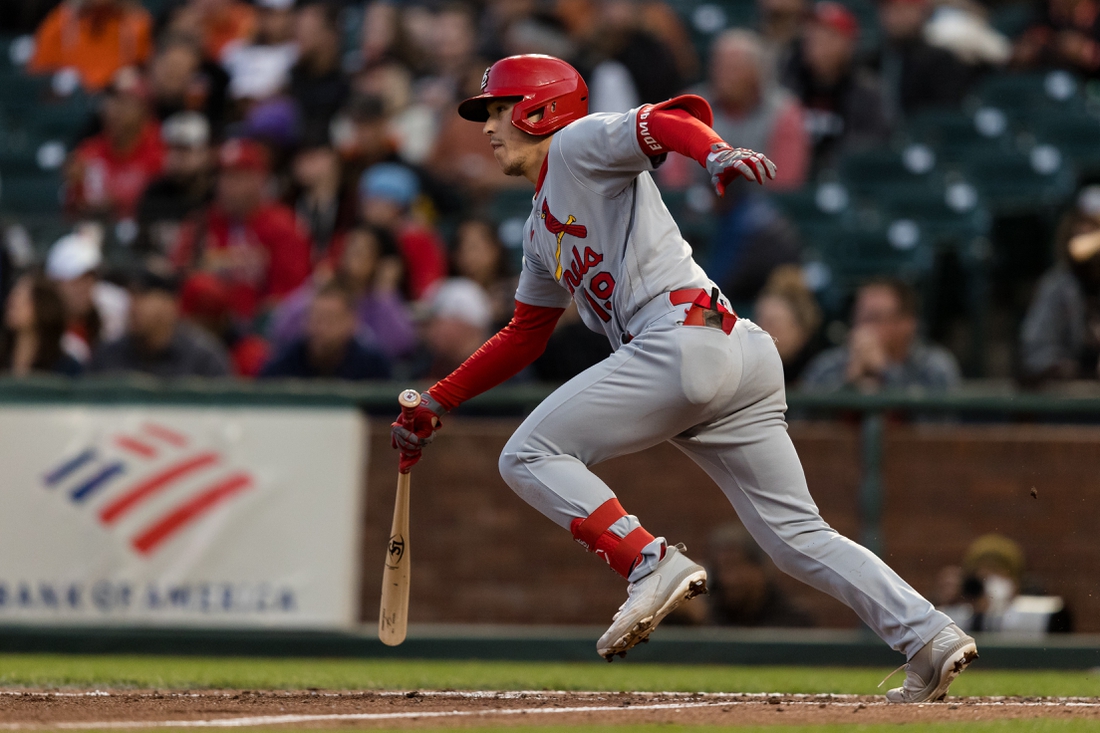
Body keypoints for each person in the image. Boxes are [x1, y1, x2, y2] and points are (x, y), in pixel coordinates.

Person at [389, 54, 976, 702]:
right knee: (795, 538)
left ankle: (648, 560)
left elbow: (665, 122)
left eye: (498, 110)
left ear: (539, 108)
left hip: (681, 340)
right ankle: (927, 633)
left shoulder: (579, 143)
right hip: (731, 349)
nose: (488, 127)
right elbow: (523, 335)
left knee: (527, 453)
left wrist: (715, 150)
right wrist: (439, 397)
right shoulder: (537, 230)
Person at [171, 138, 312, 322]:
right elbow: (180, 277)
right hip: (206, 327)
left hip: (259, 330)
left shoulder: (283, 227)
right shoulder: (201, 223)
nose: (227, 186)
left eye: (238, 177)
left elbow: (290, 296)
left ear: (259, 180)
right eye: (223, 176)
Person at [269, 225, 416, 360]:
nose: (354, 257)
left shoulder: (381, 298)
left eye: (363, 251)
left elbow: (402, 343)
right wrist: (313, 289)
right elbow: (281, 328)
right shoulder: (322, 292)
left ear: (377, 260)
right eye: (350, 249)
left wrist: (385, 295)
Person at [780, 2, 892, 171]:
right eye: (812, 32)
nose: (815, 40)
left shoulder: (868, 92)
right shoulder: (788, 82)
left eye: (827, 34)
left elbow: (872, 147)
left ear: (848, 44)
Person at [695, 29, 809, 191]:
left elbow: (785, 187)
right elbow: (675, 184)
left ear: (755, 73)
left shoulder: (785, 112)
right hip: (699, 204)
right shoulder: (691, 109)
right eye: (719, 67)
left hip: (764, 208)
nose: (723, 76)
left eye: (734, 68)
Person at [800, 278, 960, 392]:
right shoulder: (827, 365)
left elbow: (936, 424)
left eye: (874, 318)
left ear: (906, 324)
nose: (864, 329)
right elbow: (805, 424)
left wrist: (885, 371)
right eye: (860, 319)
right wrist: (848, 381)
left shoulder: (935, 366)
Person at [1019, 186, 1100, 384]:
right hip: (1068, 395)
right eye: (1081, 223)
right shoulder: (1057, 285)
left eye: (1094, 226)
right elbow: (1034, 351)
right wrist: (1063, 367)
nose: (1084, 232)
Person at [90, 266, 231, 378]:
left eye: (142, 296)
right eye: (131, 296)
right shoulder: (108, 355)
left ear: (169, 304)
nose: (133, 306)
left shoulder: (203, 359)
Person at [66, 67, 166, 221]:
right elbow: (71, 213)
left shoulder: (161, 149)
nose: (116, 109)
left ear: (144, 110)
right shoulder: (88, 152)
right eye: (112, 100)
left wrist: (119, 203)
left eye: (126, 101)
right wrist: (77, 192)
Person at [866, 0, 980, 118]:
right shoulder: (870, 61)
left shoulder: (941, 61)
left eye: (903, 9)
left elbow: (947, 114)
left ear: (922, 13)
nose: (894, 16)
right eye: (887, 9)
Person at [260, 281, 391, 380]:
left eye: (330, 320)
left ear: (352, 322)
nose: (321, 327)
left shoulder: (373, 367)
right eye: (315, 318)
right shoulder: (284, 364)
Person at [358, 163, 447, 301]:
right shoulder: (359, 235)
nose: (370, 208)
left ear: (398, 206)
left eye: (379, 200)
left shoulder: (418, 239)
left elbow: (429, 289)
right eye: (368, 200)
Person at [45, 227, 130, 365]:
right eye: (76, 280)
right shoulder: (42, 327)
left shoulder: (113, 313)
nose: (85, 287)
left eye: (90, 279)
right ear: (55, 284)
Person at [136, 111, 215, 257]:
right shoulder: (154, 193)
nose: (176, 157)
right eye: (171, 148)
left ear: (206, 153)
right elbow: (141, 249)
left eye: (185, 149)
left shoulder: (216, 196)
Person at [28, 0, 154, 92]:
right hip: (71, 106)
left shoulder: (137, 23)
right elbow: (38, 74)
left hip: (116, 103)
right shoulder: (61, 20)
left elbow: (149, 75)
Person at [752, 265, 824, 384]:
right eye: (760, 321)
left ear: (800, 329)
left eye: (772, 324)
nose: (762, 331)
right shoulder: (749, 370)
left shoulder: (821, 372)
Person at [1, 274, 83, 377]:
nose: (13, 303)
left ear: (43, 307)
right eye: (13, 296)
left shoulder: (66, 367)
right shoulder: (3, 357)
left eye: (24, 299)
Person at [451, 218, 518, 330]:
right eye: (461, 248)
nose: (468, 256)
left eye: (474, 247)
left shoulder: (518, 291)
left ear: (495, 248)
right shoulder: (449, 295)